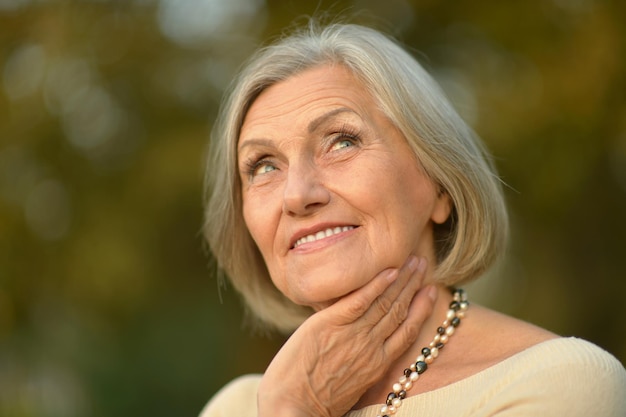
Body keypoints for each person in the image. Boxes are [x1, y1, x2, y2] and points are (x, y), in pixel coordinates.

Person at [200, 21, 626, 417]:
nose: (296, 195)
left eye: (342, 142)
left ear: (440, 184)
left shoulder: (560, 382)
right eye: (263, 166)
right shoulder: (238, 406)